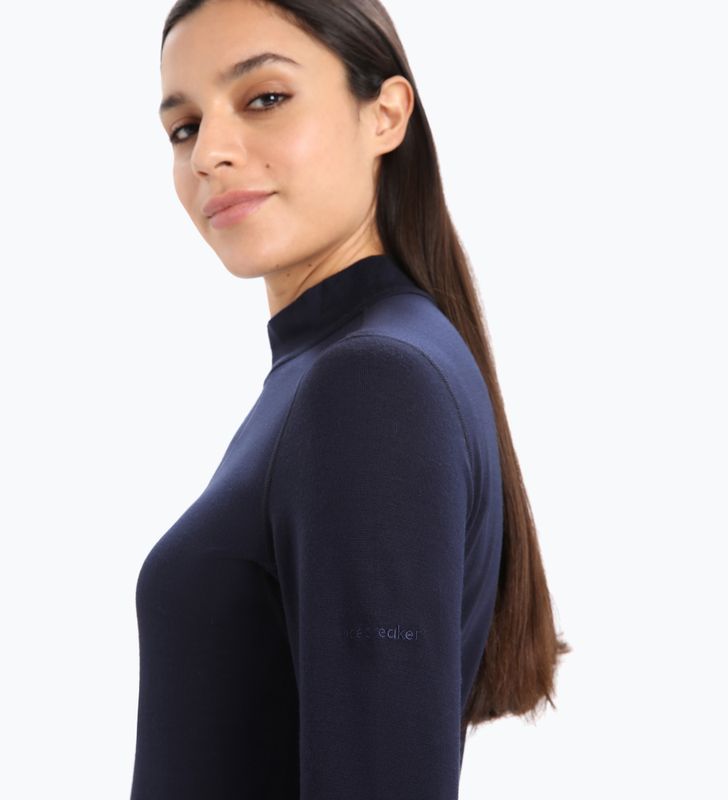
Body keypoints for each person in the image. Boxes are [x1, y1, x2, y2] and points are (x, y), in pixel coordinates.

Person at [131, 1, 571, 797]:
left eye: (265, 98)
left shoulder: (372, 384)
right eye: (184, 126)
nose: (210, 153)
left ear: (386, 114)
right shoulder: (343, 366)